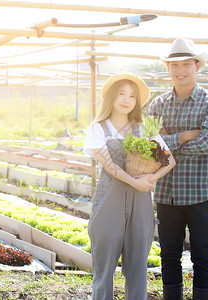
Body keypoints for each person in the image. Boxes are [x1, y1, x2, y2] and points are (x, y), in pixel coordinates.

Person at [83, 72, 176, 300]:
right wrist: (135, 181)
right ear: (112, 97)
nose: (127, 99)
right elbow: (109, 165)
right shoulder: (98, 128)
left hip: (140, 201)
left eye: (132, 96)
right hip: (109, 201)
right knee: (104, 270)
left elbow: (169, 160)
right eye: (122, 94)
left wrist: (150, 180)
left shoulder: (143, 129)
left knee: (137, 268)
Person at [148, 38, 208, 300]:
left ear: (197, 65)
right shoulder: (158, 105)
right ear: (168, 68)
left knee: (202, 257)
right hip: (166, 194)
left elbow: (206, 144)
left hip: (200, 194)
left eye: (186, 64)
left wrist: (168, 142)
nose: (180, 70)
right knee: (169, 256)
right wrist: (184, 137)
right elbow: (151, 147)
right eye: (174, 64)